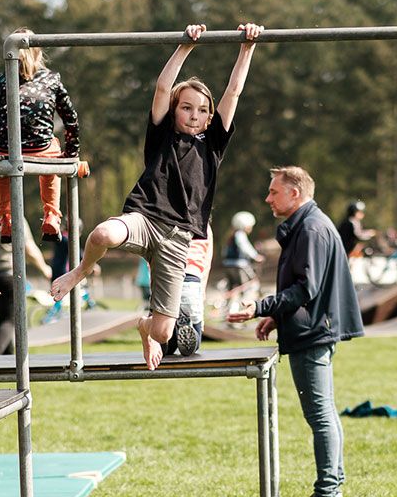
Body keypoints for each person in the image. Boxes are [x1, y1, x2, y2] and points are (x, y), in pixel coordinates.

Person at [50, 22, 263, 369]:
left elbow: (234, 91)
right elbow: (164, 86)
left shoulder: (213, 146)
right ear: (175, 111)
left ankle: (145, 327)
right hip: (144, 219)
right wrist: (185, 46)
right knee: (103, 233)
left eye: (202, 110)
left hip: (179, 240)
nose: (194, 115)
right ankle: (81, 272)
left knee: (166, 333)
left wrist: (247, 47)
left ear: (210, 118)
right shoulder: (161, 136)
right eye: (186, 108)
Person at [227, 166, 364, 497]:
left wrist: (259, 307)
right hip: (313, 327)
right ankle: (334, 490)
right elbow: (306, 288)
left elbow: (306, 288)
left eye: (274, 192)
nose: (267, 198)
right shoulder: (308, 224)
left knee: (320, 414)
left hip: (314, 333)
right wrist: (277, 316)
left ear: (295, 194)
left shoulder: (312, 229)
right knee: (325, 413)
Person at [0, 27, 81, 243]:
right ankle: (52, 214)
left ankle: (6, 218)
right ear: (38, 52)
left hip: (6, 149)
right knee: (52, 153)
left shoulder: (2, 80)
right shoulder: (52, 79)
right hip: (42, 148)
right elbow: (71, 119)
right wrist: (71, 154)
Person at [0, 213, 52, 356]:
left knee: (4, 318)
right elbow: (28, 247)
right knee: (11, 319)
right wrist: (44, 268)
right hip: (8, 275)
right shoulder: (15, 218)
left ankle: (8, 355)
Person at [166, 227, 215, 358]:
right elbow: (206, 263)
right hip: (192, 281)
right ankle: (185, 322)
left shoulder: (164, 217)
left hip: (167, 278)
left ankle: (169, 338)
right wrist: (202, 291)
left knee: (166, 346)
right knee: (195, 344)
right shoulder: (204, 226)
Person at [222, 210, 263, 288]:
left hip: (228, 264)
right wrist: (256, 256)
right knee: (248, 286)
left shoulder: (231, 235)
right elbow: (245, 246)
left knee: (232, 287)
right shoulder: (240, 234)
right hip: (240, 265)